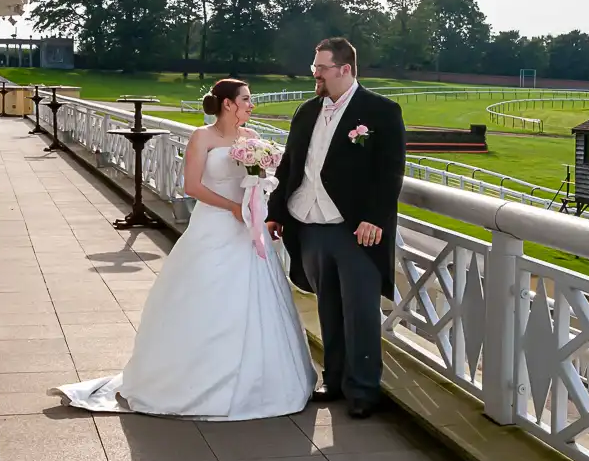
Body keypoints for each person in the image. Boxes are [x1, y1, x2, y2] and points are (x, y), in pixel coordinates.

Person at [49, 79, 317, 420]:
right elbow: (192, 186)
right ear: (228, 104)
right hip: (214, 225)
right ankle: (190, 381)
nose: (251, 105)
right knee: (205, 295)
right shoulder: (201, 137)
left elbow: (257, 183)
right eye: (246, 99)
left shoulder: (251, 140)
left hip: (247, 228)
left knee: (258, 296)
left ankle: (262, 380)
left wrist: (258, 195)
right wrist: (231, 208)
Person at [266, 37, 406, 419]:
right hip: (309, 226)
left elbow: (390, 171)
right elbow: (290, 165)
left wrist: (374, 218)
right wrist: (276, 211)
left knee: (360, 313)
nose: (315, 74)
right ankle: (335, 378)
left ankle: (363, 390)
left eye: (321, 68)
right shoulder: (307, 111)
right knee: (327, 307)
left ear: (345, 69)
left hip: (355, 230)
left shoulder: (380, 111)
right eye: (315, 68)